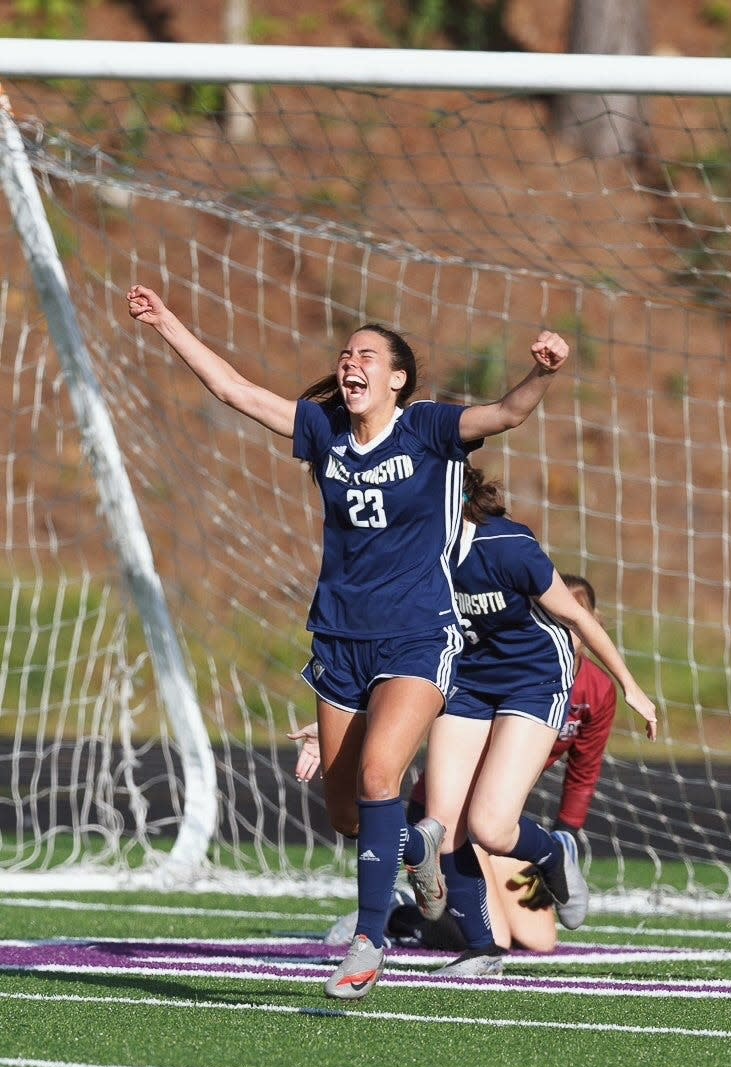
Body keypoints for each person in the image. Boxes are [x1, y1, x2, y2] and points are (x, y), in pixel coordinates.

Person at [126, 282, 570, 999]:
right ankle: (418, 859)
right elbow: (236, 390)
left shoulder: (429, 430)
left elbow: (509, 412)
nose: (349, 363)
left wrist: (542, 372)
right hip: (338, 640)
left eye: (366, 354)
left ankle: (368, 943)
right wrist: (166, 322)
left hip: (419, 636)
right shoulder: (324, 433)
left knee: (378, 780)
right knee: (345, 813)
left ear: (397, 377)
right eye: (344, 354)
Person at [418, 463, 657, 976]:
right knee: (442, 824)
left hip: (534, 678)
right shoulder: (415, 554)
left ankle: (553, 856)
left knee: (490, 825)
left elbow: (575, 615)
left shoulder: (505, 545)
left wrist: (628, 685)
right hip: (467, 680)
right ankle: (482, 951)